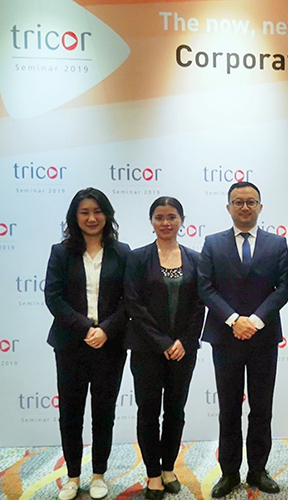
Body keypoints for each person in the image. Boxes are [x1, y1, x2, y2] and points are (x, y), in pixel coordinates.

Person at [199, 182, 288, 498]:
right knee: (228, 409)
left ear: (260, 207)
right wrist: (233, 319)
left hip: (263, 337)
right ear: (228, 207)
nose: (245, 207)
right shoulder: (212, 243)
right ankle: (229, 473)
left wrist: (255, 320)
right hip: (226, 337)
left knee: (261, 408)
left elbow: (284, 288)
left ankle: (257, 470)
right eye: (238, 202)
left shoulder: (277, 244)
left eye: (251, 202)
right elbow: (205, 287)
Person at [44, 188, 130, 500]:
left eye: (97, 211)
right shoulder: (61, 252)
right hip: (71, 344)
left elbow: (129, 299)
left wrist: (105, 330)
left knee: (104, 412)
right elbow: (53, 297)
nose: (92, 218)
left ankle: (98, 474)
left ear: (106, 215)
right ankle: (72, 476)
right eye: (84, 212)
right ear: (75, 217)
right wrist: (85, 329)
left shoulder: (122, 252)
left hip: (110, 344)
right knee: (70, 412)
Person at [124, 197, 205, 499]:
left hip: (183, 350)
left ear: (181, 220)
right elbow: (133, 304)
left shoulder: (195, 259)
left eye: (172, 216)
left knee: (175, 410)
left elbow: (199, 305)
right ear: (152, 221)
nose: (166, 222)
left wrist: (184, 341)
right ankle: (153, 474)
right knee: (148, 411)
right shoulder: (138, 258)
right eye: (159, 217)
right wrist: (163, 342)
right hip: (147, 349)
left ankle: (169, 468)